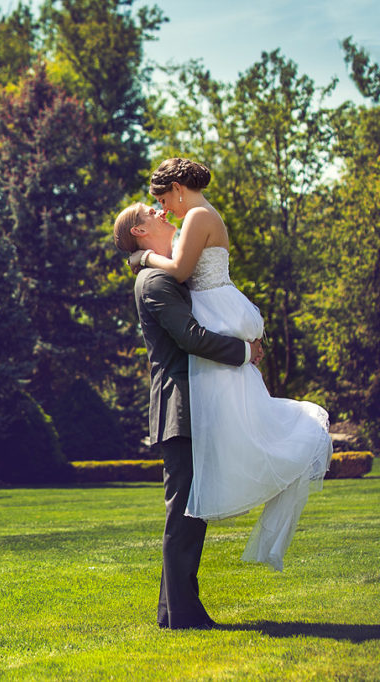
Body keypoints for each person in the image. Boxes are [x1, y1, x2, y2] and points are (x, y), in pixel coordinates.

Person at [130, 158, 332, 574]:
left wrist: (145, 256)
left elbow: (182, 270)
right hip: (211, 315)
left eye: (164, 198)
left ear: (179, 188)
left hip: (214, 311)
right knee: (229, 422)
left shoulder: (200, 216)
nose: (165, 208)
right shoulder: (198, 218)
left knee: (237, 416)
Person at [113, 200, 261, 629]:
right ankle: (181, 615)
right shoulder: (155, 282)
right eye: (149, 211)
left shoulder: (165, 271)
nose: (161, 211)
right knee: (184, 514)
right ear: (139, 231)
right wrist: (245, 351)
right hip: (180, 405)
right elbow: (191, 337)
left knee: (190, 515)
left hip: (195, 401)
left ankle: (175, 611)